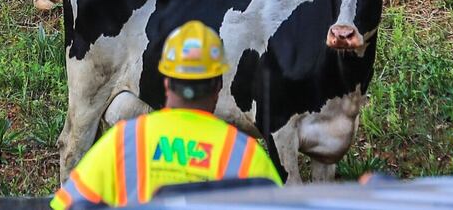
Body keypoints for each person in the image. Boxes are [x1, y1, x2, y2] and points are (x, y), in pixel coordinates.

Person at [52, 21, 282, 208]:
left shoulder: (124, 142)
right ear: (219, 86)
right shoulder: (245, 156)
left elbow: (68, 204)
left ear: (166, 82)